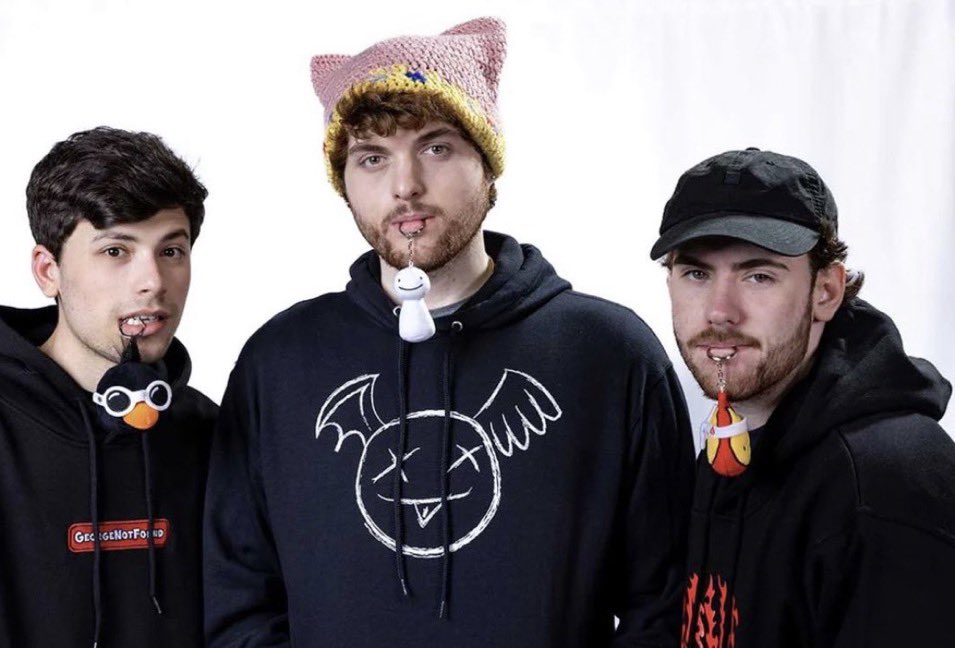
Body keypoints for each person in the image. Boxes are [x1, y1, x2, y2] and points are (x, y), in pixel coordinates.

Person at [204, 16, 694, 647]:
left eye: (436, 148)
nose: (405, 185)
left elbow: (666, 604)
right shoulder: (280, 361)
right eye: (372, 158)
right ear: (344, 182)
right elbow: (238, 603)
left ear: (487, 165)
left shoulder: (607, 353)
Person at [652, 147, 955, 647]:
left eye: (759, 276)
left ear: (827, 291)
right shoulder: (730, 445)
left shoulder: (887, 483)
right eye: (696, 274)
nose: (720, 311)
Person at [0, 126, 217, 646]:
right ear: (47, 270)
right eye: (116, 251)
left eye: (171, 251)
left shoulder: (211, 432)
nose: (153, 282)